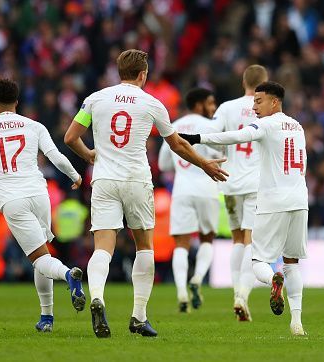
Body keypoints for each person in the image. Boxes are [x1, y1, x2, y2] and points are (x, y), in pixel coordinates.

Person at [64, 49, 227, 338]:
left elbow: (70, 137)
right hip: (137, 180)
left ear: (118, 72)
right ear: (143, 75)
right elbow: (176, 145)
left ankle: (98, 297)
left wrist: (90, 154)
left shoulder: (95, 99)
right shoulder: (153, 103)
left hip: (103, 180)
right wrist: (204, 164)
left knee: (103, 246)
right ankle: (138, 316)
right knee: (144, 247)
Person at [180, 81, 309, 336]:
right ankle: (297, 324)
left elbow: (238, 136)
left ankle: (273, 279)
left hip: (273, 200)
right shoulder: (298, 126)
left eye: (258, 101)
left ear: (274, 101)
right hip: (299, 200)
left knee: (258, 259)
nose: (254, 107)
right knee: (292, 262)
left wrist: (198, 138)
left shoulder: (266, 124)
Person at [0, 79, 86, 332]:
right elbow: (55, 156)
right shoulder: (34, 125)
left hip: (12, 197)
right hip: (39, 194)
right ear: (17, 103)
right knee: (41, 254)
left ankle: (69, 275)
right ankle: (47, 318)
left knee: (39, 259)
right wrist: (75, 176)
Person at [210, 64, 268, 321]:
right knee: (250, 240)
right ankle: (242, 295)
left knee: (237, 240)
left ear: (243, 81)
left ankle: (236, 292)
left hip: (230, 182)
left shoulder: (226, 108)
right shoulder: (267, 110)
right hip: (256, 183)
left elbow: (211, 136)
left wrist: (214, 158)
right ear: (264, 83)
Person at [158, 88, 221, 313]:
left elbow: (163, 164)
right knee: (206, 239)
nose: (212, 108)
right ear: (198, 105)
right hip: (207, 189)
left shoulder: (173, 126)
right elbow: (223, 153)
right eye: (209, 103)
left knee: (181, 245)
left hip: (182, 190)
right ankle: (197, 278)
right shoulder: (211, 126)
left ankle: (181, 293)